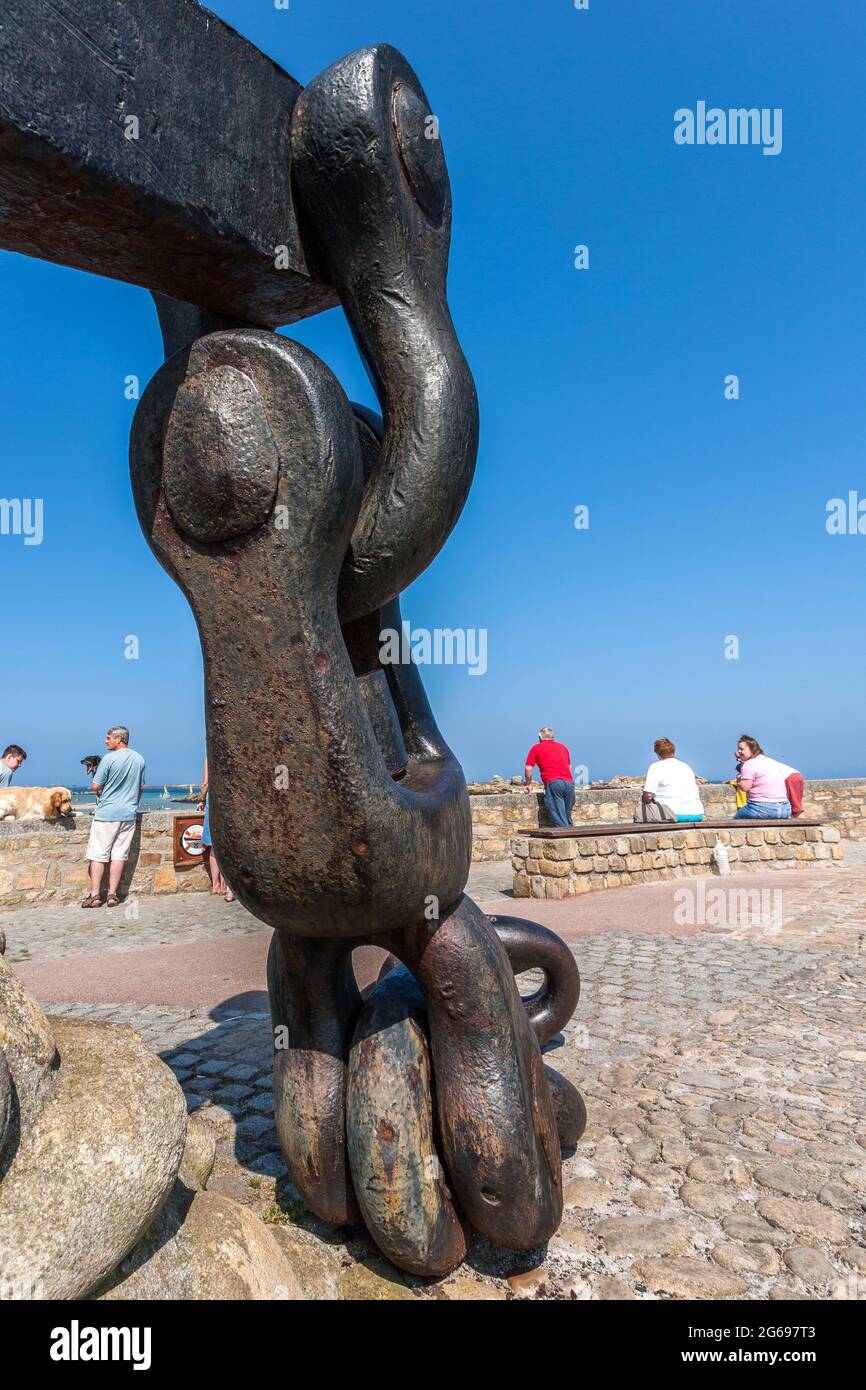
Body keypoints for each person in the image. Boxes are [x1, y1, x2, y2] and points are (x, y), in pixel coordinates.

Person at [81, 726, 145, 908]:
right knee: (119, 855)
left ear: (119, 739)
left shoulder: (108, 759)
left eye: (108, 737)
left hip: (107, 814)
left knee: (98, 854)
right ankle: (112, 895)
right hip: (128, 814)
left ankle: (95, 895)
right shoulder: (139, 759)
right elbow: (140, 788)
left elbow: (95, 786)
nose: (105, 740)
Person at [637, 738, 704, 822]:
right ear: (673, 752)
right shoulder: (686, 766)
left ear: (657, 754)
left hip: (672, 815)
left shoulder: (655, 767)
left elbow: (648, 795)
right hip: (697, 814)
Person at [198, 758, 235, 902]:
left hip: (212, 800)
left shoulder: (209, 757)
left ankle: (216, 885)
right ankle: (226, 886)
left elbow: (205, 783)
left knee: (213, 844)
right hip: (229, 799)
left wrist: (201, 799)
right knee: (227, 846)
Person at [524, 727, 575, 829]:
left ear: (540, 737)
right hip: (569, 783)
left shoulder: (536, 748)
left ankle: (565, 837)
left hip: (554, 783)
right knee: (567, 817)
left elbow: (528, 768)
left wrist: (528, 784)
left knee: (560, 820)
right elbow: (569, 767)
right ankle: (572, 836)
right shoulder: (563, 747)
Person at [734, 735, 793, 819]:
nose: (738, 751)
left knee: (737, 819)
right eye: (738, 749)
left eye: (741, 749)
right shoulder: (770, 761)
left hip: (763, 808)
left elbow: (745, 787)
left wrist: (738, 779)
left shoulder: (749, 764)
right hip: (785, 808)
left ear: (752, 749)